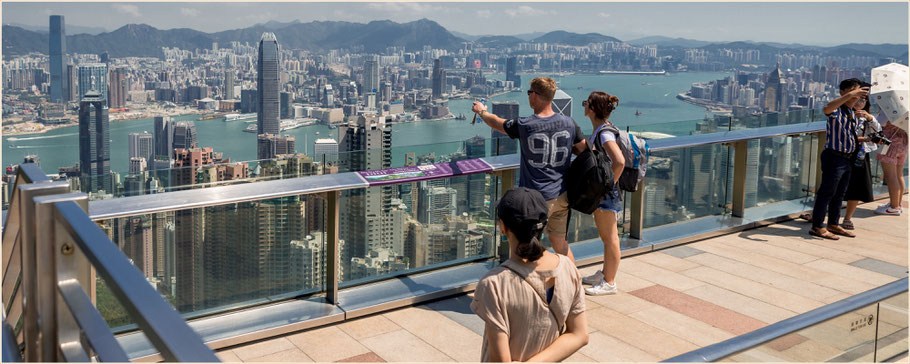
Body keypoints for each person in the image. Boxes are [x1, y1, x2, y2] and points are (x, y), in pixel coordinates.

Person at [472, 77, 587, 261]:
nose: (528, 97)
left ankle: (530, 284)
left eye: (528, 93)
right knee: (561, 245)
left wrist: (482, 112)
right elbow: (584, 150)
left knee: (527, 247)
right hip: (562, 195)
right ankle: (571, 282)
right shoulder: (569, 123)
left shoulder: (526, 125)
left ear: (535, 95)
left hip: (535, 201)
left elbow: (496, 123)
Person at [471, 187, 588, 362]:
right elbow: (580, 334)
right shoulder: (567, 268)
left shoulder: (494, 283)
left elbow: (500, 360)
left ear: (503, 227)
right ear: (544, 226)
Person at [576, 91, 625, 296]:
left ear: (593, 108)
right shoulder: (601, 130)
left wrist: (607, 186)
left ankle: (610, 282)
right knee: (607, 237)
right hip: (607, 192)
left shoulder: (604, 133)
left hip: (607, 194)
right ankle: (605, 274)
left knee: (610, 238)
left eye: (586, 103)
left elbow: (619, 161)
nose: (584, 105)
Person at [809, 78, 868, 240]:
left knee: (839, 194)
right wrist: (851, 95)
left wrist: (867, 139)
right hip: (834, 157)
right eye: (853, 91)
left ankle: (833, 224)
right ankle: (817, 226)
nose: (857, 95)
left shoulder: (851, 113)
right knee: (826, 193)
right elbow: (826, 109)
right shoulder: (837, 110)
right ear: (843, 92)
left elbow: (850, 136)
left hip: (847, 158)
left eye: (858, 91)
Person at [842, 88, 882, 229]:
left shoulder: (868, 118)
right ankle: (820, 214)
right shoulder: (845, 114)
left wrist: (870, 118)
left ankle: (848, 218)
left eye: (863, 101)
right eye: (857, 100)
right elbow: (846, 136)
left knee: (857, 187)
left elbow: (878, 132)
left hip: (861, 155)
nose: (860, 103)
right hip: (844, 154)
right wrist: (865, 138)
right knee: (835, 185)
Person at [875, 110, 908, 216]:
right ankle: (897, 203)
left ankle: (894, 207)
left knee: (891, 176)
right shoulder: (906, 107)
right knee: (899, 175)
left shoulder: (889, 107)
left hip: (890, 145)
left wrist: (870, 117)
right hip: (904, 143)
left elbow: (880, 123)